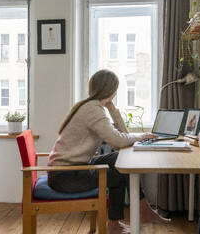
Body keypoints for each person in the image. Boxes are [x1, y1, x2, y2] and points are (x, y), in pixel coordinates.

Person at [48, 70, 169, 233]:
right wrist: (141, 136)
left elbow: (121, 136)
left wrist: (113, 110)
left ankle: (135, 213)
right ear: (112, 90)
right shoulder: (93, 109)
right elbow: (118, 141)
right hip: (66, 176)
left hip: (73, 169)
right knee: (118, 170)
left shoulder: (91, 106)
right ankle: (125, 219)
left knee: (120, 159)